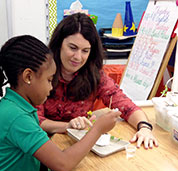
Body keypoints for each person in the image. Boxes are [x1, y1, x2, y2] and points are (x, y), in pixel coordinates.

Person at [0, 35, 121, 171]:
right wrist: (98, 129)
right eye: (49, 80)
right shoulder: (18, 116)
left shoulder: (11, 105)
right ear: (28, 77)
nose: (51, 88)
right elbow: (63, 164)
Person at [37, 13, 158, 149]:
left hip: (77, 146)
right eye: (72, 48)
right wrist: (67, 126)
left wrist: (144, 128)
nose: (78, 57)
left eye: (85, 51)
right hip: (42, 146)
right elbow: (35, 120)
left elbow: (126, 105)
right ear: (59, 44)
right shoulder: (42, 72)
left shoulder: (94, 75)